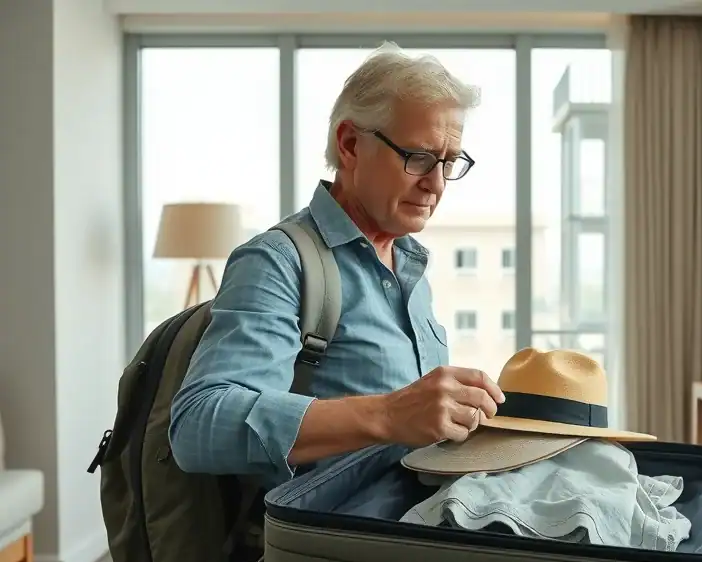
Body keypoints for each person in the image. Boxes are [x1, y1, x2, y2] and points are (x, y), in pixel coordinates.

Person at [168, 42, 506, 488]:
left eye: (449, 162)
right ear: (350, 144)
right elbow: (196, 427)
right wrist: (387, 414)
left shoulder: (410, 268)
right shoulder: (278, 261)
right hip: (342, 545)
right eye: (419, 157)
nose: (436, 184)